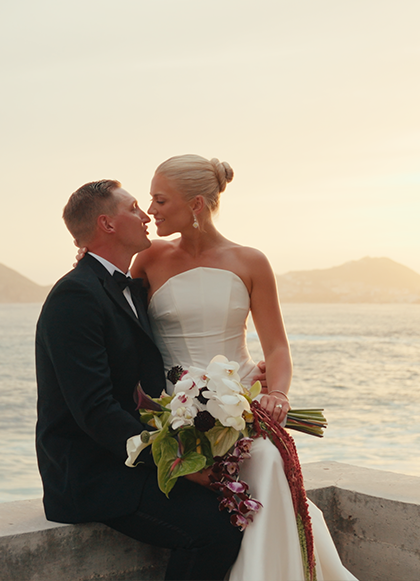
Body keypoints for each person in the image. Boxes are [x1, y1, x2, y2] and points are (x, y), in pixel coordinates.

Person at [131, 154, 357, 581]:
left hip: (242, 404)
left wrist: (278, 395)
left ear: (196, 204)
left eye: (160, 200)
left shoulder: (250, 261)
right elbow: (123, 331)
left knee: (269, 460)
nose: (150, 210)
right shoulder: (148, 260)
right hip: (173, 413)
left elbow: (277, 347)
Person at [35, 179, 243, 580]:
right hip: (92, 473)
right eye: (133, 208)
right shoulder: (74, 297)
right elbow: (94, 410)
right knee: (216, 530)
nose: (145, 214)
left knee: (232, 511)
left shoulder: (127, 287)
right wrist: (175, 465)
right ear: (107, 224)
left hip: (127, 458)